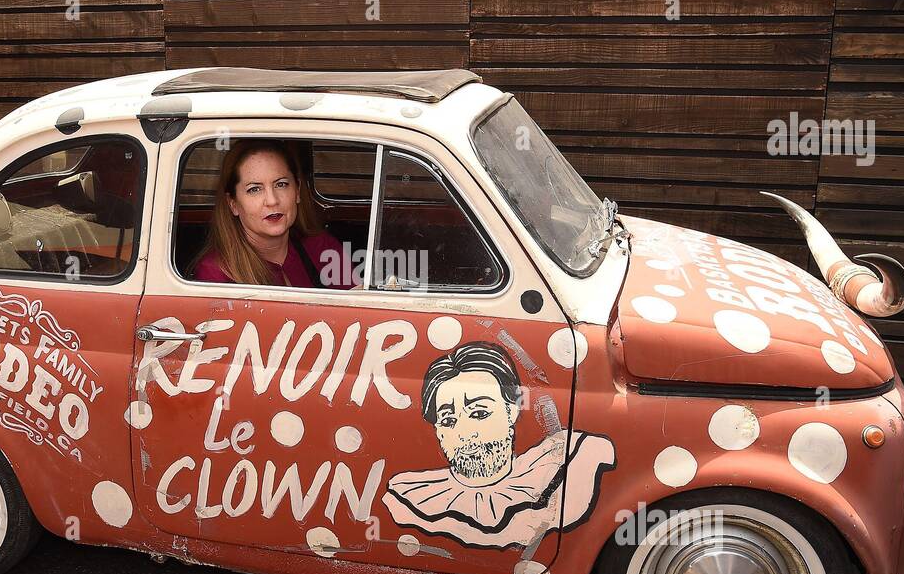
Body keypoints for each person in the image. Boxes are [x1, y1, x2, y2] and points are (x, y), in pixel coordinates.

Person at [382, 341, 616, 550]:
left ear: (512, 409)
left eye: (480, 413)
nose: (465, 434)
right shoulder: (413, 497)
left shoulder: (564, 463)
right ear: (438, 431)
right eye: (448, 420)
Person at [190, 140, 356, 289]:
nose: (271, 200)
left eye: (281, 184)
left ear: (297, 191)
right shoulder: (215, 274)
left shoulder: (322, 248)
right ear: (233, 203)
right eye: (254, 189)